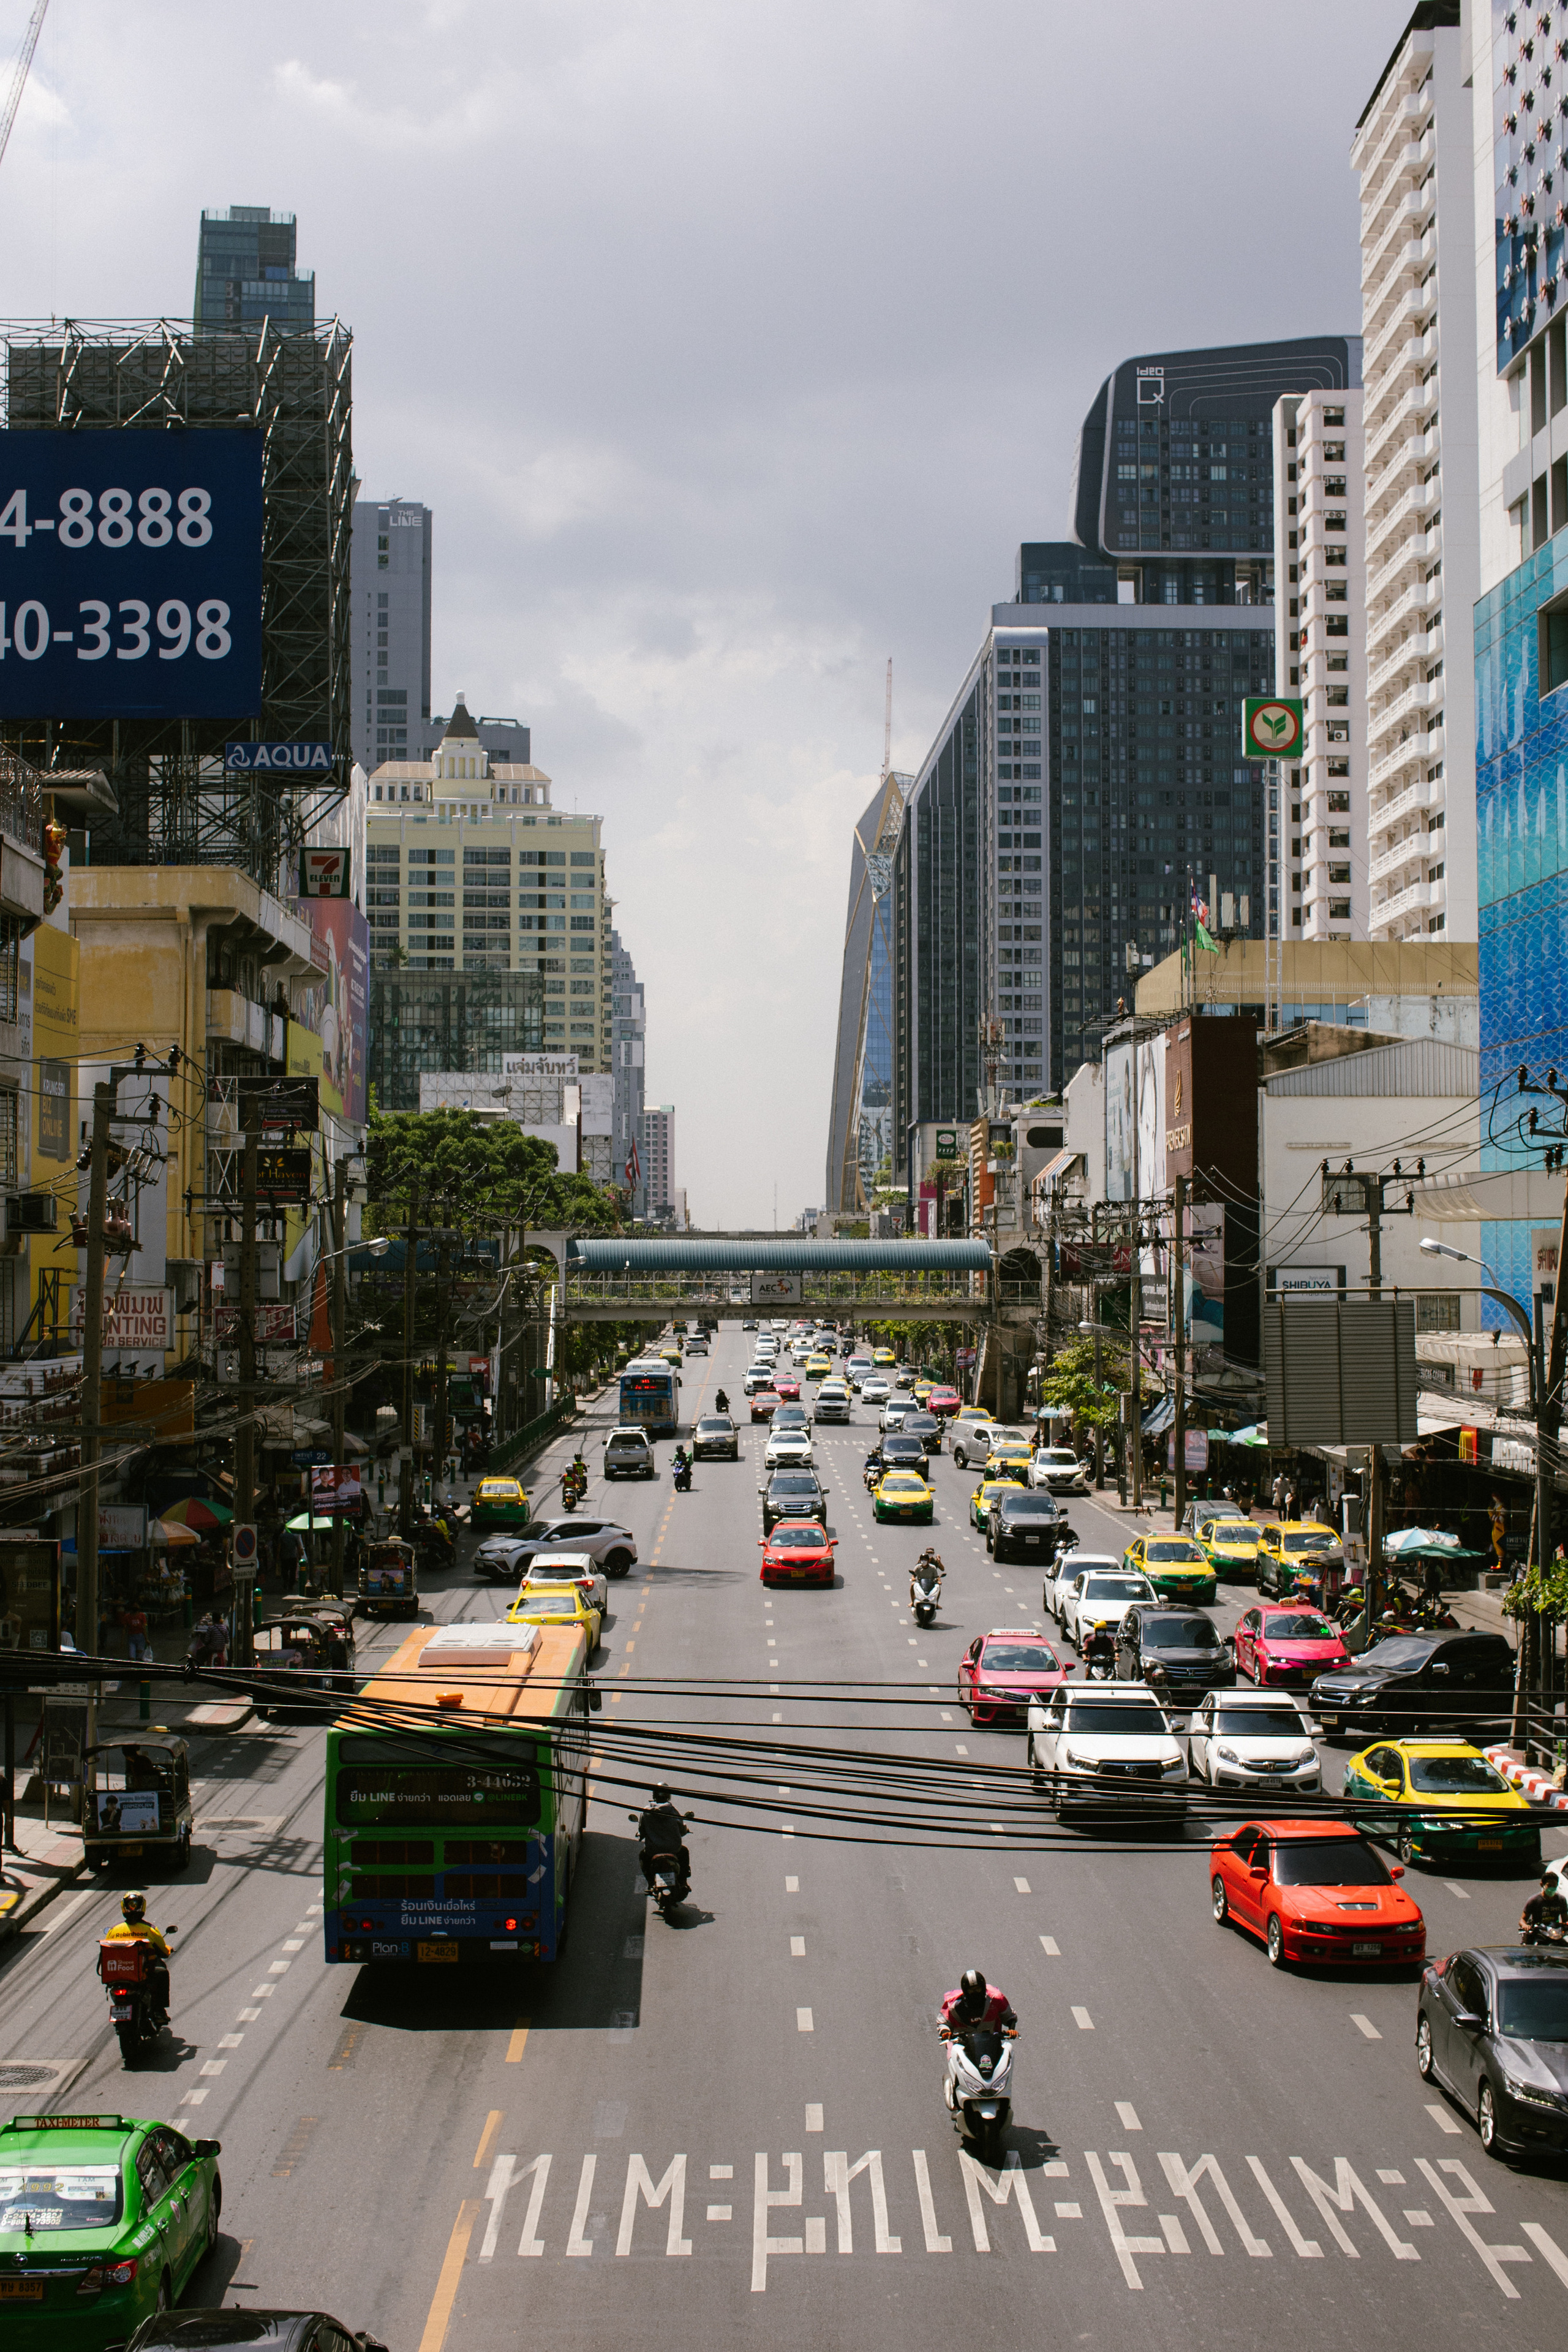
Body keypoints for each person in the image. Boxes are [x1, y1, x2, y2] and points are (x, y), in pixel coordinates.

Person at [103, 1890, 172, 2019]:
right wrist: (169, 1949)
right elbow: (163, 1953)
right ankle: (159, 2010)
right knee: (162, 1973)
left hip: (119, 1974)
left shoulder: (114, 1930)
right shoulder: (150, 1929)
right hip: (142, 1973)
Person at [637, 1784, 690, 1895]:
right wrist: (685, 1830)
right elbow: (682, 1830)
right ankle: (684, 1882)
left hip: (653, 1851)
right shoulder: (673, 1811)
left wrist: (641, 1835)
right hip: (673, 1849)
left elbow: (642, 1830)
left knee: (643, 1855)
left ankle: (651, 1883)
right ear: (668, 1796)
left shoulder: (646, 1812)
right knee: (684, 1852)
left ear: (654, 1795)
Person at [938, 1969, 1017, 2036]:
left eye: (978, 1989)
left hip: (992, 2043)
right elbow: (943, 2022)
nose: (975, 1993)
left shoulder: (995, 2000)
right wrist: (946, 2032)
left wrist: (1012, 2029)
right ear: (965, 1991)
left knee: (1008, 2048)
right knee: (952, 2052)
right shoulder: (953, 2007)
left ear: (983, 1988)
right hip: (961, 2045)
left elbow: (1009, 2016)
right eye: (971, 1991)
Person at [1521, 1871, 1568, 1943]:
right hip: (1539, 1933)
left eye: (1554, 1886)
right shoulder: (1534, 1900)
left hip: (1554, 1933)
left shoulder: (1561, 1900)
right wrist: (1525, 1925)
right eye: (1549, 1886)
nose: (1552, 1888)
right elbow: (1523, 1920)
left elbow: (1565, 1920)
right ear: (1542, 1885)